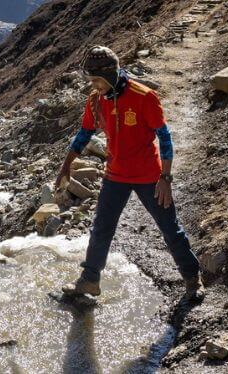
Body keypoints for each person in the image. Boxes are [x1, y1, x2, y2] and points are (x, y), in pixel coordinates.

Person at [57, 46, 202, 300]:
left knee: (170, 228)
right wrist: (65, 166)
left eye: (97, 80)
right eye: (91, 80)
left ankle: (192, 278)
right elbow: (84, 135)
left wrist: (165, 178)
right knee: (101, 228)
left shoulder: (144, 96)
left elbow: (165, 137)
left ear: (111, 74)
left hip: (149, 177)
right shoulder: (95, 100)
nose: (94, 85)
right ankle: (90, 279)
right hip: (115, 175)